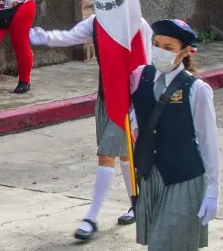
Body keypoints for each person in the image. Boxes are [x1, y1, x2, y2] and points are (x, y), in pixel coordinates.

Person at [123, 19, 220, 251]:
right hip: (153, 175)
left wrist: (213, 190)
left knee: (162, 249)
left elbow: (209, 143)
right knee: (172, 246)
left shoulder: (197, 90)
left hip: (184, 177)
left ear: (184, 53)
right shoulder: (141, 76)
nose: (160, 52)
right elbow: (132, 112)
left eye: (169, 48)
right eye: (157, 44)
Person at [29, 16, 153, 238]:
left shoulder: (135, 22)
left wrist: (139, 106)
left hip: (127, 100)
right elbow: (71, 36)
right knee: (124, 155)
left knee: (106, 155)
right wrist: (45, 37)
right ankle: (138, 203)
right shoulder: (96, 22)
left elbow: (147, 65)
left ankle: (91, 217)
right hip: (105, 98)